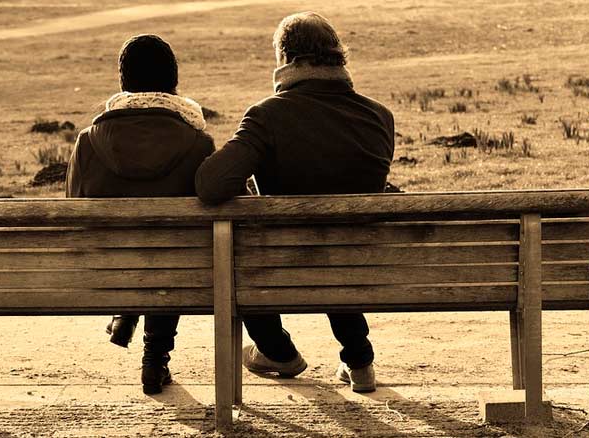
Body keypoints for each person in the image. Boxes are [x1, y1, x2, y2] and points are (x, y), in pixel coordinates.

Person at [195, 12, 394, 393]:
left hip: (282, 265)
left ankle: (278, 351)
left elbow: (210, 183)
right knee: (338, 237)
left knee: (239, 248)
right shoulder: (380, 117)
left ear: (287, 59)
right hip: (361, 265)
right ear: (338, 58)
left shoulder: (267, 115)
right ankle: (359, 359)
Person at [66, 34, 215, 394]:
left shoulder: (88, 140)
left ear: (124, 82)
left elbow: (71, 205)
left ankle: (127, 311)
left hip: (108, 269)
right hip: (177, 268)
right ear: (173, 82)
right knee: (171, 252)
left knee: (141, 251)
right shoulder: (198, 141)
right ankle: (155, 359)